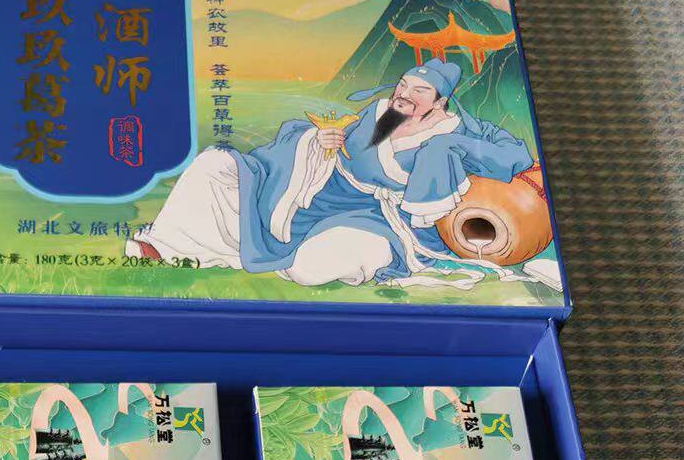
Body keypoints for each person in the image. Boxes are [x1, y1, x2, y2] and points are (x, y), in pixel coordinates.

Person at [128, 59, 533, 288]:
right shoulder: (381, 111)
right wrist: (319, 141)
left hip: (374, 219)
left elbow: (515, 155)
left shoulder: (454, 132)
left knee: (309, 268)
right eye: (403, 85)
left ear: (440, 102)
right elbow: (335, 143)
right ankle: (166, 246)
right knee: (213, 166)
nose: (404, 94)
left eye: (419, 91)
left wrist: (452, 146)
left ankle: (238, 251)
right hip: (310, 189)